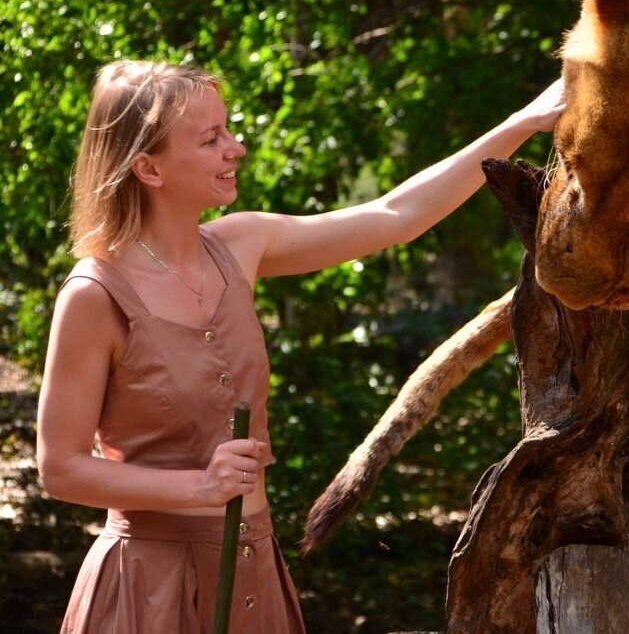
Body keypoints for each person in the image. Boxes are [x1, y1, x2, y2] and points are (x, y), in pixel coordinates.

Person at [36, 60, 565, 632]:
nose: (236, 148)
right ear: (148, 167)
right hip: (148, 594)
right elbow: (59, 468)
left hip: (255, 574)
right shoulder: (95, 295)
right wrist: (198, 488)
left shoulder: (240, 244)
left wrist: (522, 123)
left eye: (229, 130)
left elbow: (396, 215)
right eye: (211, 139)